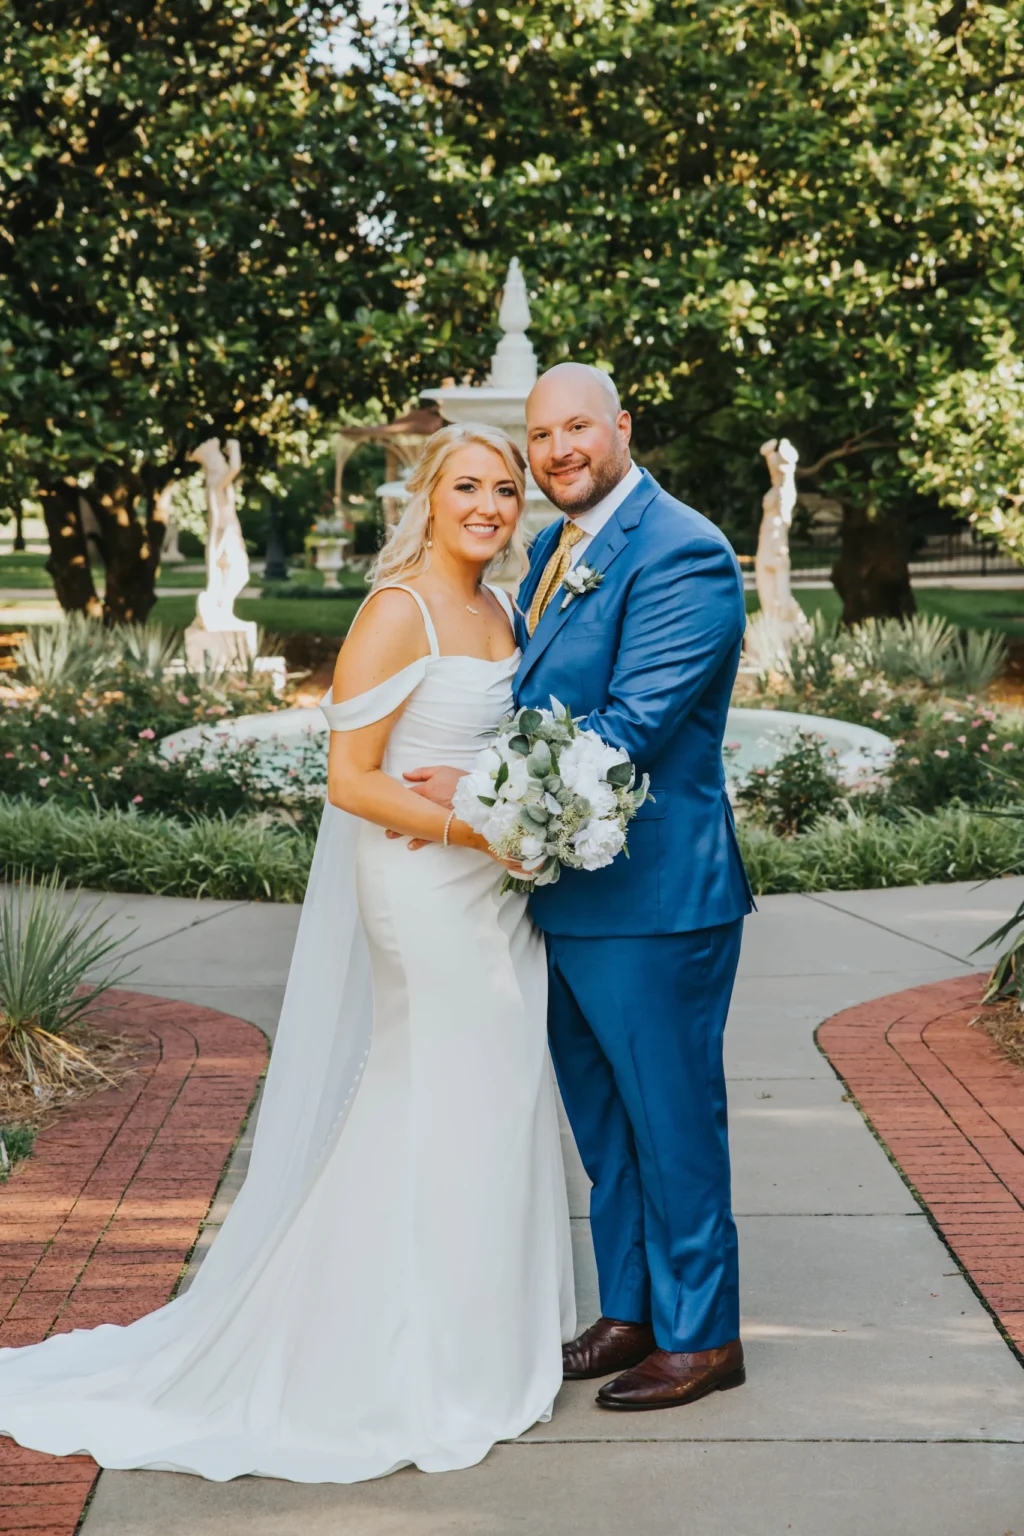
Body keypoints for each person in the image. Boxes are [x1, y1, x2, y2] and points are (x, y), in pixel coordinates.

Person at [0, 423, 574, 1483]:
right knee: (432, 1094)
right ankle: (372, 1353)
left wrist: (526, 815)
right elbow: (349, 780)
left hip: (492, 891)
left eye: (504, 489)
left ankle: (471, 1337)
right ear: (428, 496)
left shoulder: (503, 606)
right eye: (467, 487)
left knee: (492, 1096)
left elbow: (506, 751)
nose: (488, 506)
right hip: (421, 887)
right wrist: (479, 828)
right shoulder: (394, 611)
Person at [404, 363, 755, 1411]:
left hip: (654, 898)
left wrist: (472, 791)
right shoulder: (560, 545)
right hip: (563, 887)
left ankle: (703, 1336)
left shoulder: (682, 551)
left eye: (576, 429)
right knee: (606, 1125)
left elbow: (628, 732)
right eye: (540, 434)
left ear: (619, 428)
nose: (556, 451)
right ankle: (631, 1311)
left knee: (671, 1120)